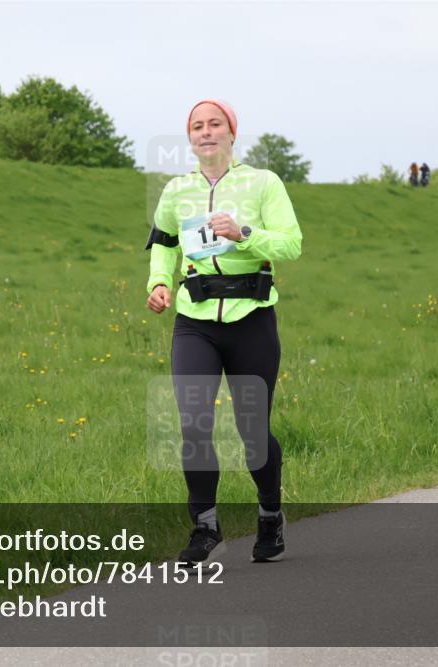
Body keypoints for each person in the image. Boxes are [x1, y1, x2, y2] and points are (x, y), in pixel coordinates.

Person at [144, 99, 302, 565]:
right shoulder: (176, 190)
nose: (206, 132)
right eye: (197, 126)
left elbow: (292, 243)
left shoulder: (263, 183)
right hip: (195, 322)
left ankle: (270, 514)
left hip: (251, 319)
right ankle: (205, 526)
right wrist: (157, 283)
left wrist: (244, 233)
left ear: (232, 133)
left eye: (216, 124)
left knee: (253, 432)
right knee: (194, 424)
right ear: (189, 137)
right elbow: (163, 244)